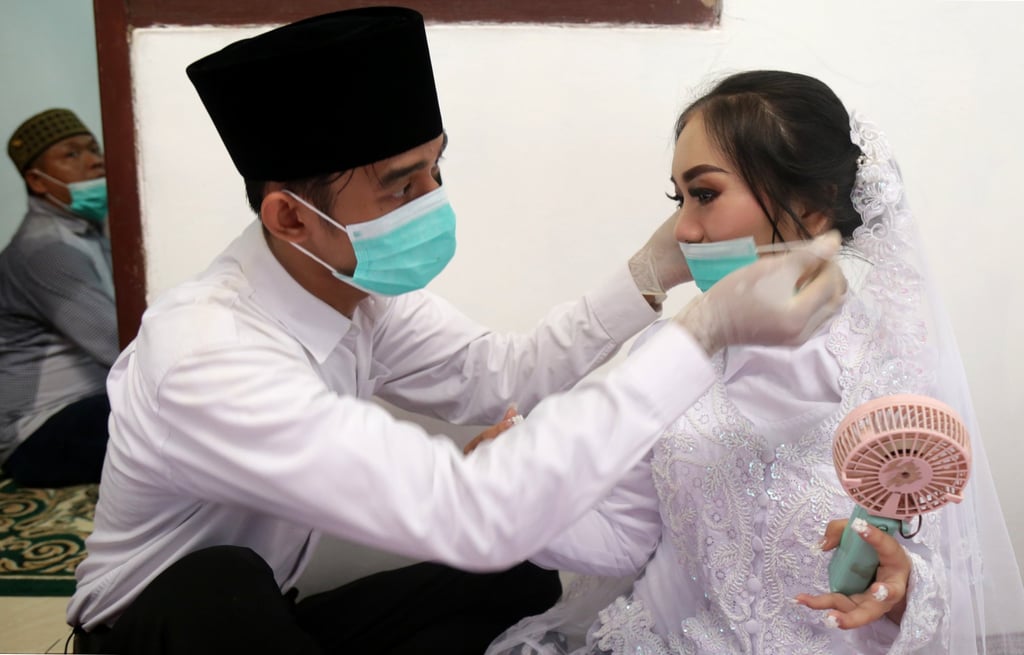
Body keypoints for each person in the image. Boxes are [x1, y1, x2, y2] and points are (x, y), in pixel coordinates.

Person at [65, 10, 847, 655]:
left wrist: (652, 273)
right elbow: (474, 513)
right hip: (163, 629)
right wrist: (702, 333)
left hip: (275, 605)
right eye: (401, 185)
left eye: (435, 170)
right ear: (291, 216)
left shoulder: (358, 287)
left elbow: (502, 374)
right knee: (221, 586)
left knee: (521, 579)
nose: (431, 202)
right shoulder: (205, 356)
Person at [485, 70, 1024, 655]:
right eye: (679, 198)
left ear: (813, 209)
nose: (683, 231)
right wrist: (515, 497)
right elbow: (626, 537)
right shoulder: (673, 359)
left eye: (706, 194)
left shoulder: (899, 375)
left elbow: (947, 581)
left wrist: (904, 587)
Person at [0, 108, 115, 488]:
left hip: (85, 406)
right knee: (181, 418)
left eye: (93, 149)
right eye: (72, 154)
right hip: (39, 433)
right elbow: (119, 345)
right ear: (37, 180)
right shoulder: (45, 249)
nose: (95, 160)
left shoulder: (88, 229)